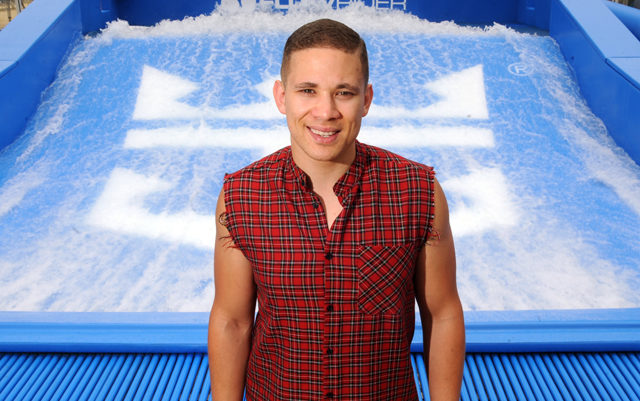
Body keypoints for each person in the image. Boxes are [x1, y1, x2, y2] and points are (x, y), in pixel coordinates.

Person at [208, 18, 465, 401]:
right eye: (307, 91)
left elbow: (441, 314)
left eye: (343, 93)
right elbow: (232, 320)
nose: (325, 111)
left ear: (366, 99)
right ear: (281, 97)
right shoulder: (242, 195)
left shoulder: (418, 191)